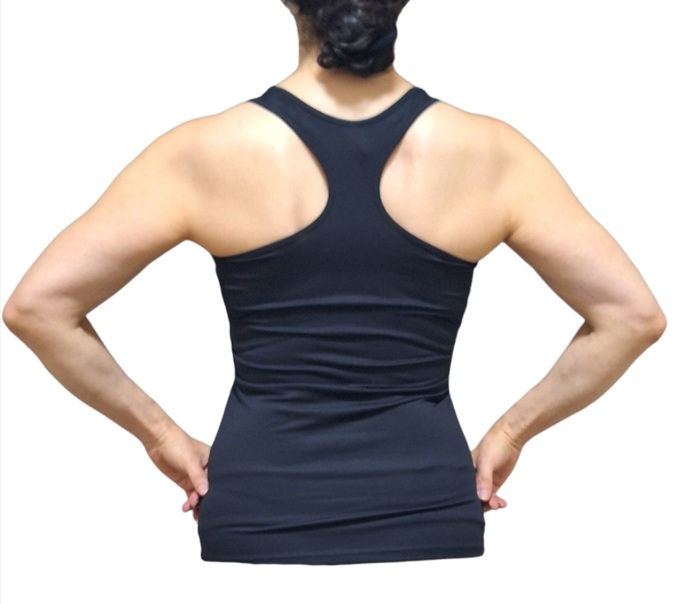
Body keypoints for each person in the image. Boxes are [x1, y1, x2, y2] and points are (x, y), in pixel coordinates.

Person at [2, 0, 666, 565]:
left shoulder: (203, 152)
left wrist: (158, 433)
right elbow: (632, 317)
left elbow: (39, 307)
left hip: (255, 522)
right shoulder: (492, 154)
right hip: (430, 524)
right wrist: (510, 433)